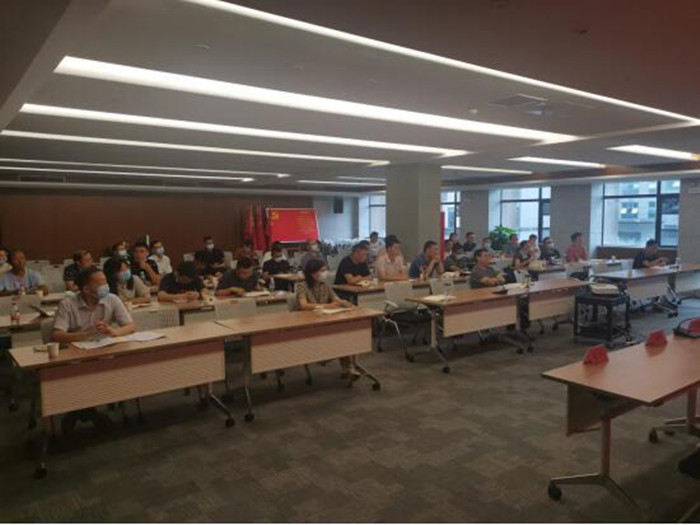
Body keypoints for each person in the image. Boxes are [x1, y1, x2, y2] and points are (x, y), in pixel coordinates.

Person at [52, 266, 135, 434]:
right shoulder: (67, 304)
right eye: (100, 283)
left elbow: (131, 326)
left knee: (116, 369)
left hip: (104, 350)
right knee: (83, 373)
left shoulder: (112, 299)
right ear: (86, 289)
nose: (106, 286)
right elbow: (57, 335)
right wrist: (86, 334)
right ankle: (88, 411)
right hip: (76, 355)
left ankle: (83, 411)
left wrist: (114, 332)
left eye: (105, 281)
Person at [296, 259, 358, 377]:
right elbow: (303, 305)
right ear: (313, 272)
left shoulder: (325, 285)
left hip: (325, 320)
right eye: (322, 271)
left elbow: (336, 299)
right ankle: (345, 365)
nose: (325, 273)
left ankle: (348, 367)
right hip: (310, 323)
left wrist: (346, 304)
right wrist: (327, 306)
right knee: (338, 337)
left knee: (343, 336)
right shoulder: (302, 286)